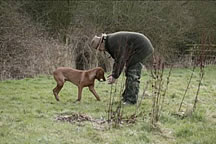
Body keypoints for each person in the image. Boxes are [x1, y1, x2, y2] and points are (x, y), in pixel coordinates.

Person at [91, 31, 154, 105]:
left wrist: (115, 76)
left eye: (99, 49)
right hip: (139, 47)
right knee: (129, 71)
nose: (101, 50)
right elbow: (119, 59)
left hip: (142, 48)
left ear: (101, 43)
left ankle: (131, 100)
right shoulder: (111, 41)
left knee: (133, 73)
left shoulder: (113, 42)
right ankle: (126, 97)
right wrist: (114, 74)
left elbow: (120, 59)